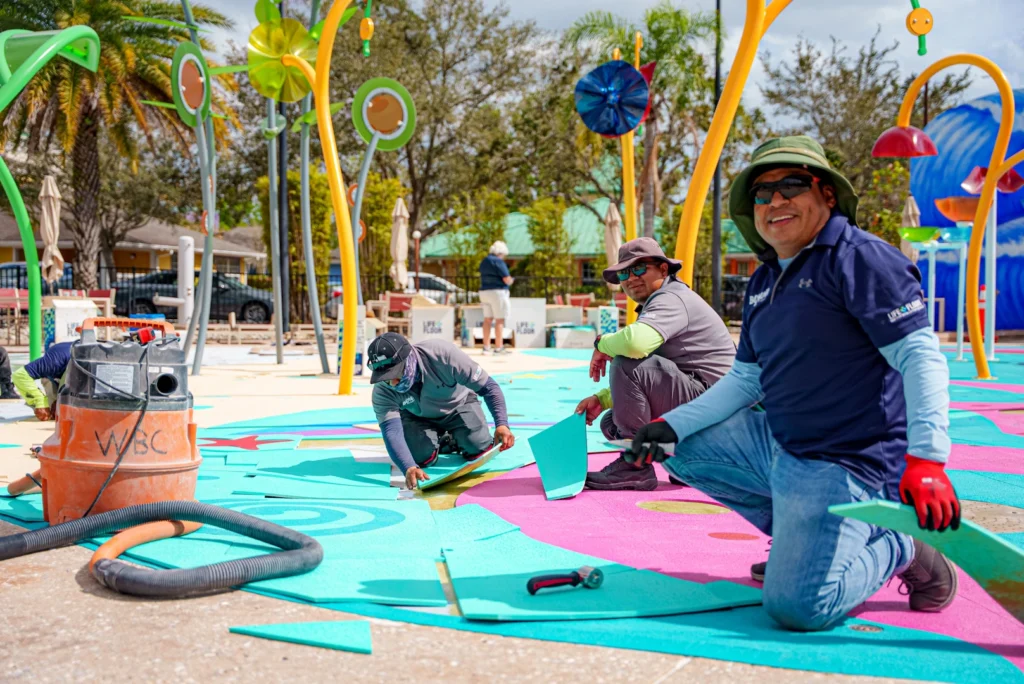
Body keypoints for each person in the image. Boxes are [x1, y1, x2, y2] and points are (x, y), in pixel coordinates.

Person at [629, 135, 959, 631]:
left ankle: (898, 543)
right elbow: (746, 379)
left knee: (799, 608)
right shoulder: (765, 280)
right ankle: (799, 543)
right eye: (763, 193)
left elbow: (919, 356)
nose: (776, 200)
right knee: (682, 447)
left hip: (852, 462)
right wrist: (669, 425)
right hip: (784, 448)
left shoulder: (860, 258)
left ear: (826, 194)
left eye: (792, 184)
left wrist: (928, 458)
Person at [574, 237, 736, 491]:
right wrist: (603, 399)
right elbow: (654, 372)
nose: (631, 277)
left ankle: (634, 468)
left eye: (639, 268)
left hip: (716, 409)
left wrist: (600, 343)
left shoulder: (670, 298)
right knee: (612, 422)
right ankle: (690, 461)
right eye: (624, 272)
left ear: (663, 269)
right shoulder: (663, 300)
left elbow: (635, 346)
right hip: (711, 406)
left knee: (625, 360)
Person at [369, 332, 515, 490]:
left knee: (479, 449)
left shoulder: (444, 354)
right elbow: (391, 431)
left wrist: (502, 424)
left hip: (459, 404)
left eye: (396, 373)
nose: (393, 383)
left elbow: (489, 387)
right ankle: (444, 441)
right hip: (417, 417)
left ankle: (457, 438)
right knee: (419, 458)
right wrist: (408, 466)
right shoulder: (382, 391)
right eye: (386, 377)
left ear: (408, 357)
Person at [11, 341, 73, 421]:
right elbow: (19, 375)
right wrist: (40, 401)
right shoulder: (55, 361)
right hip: (56, 375)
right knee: (55, 414)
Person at [478, 241, 514, 354]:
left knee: (487, 319)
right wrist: (512, 281)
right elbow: (506, 279)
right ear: (501, 252)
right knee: (500, 319)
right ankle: (499, 347)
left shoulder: (484, 261)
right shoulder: (498, 261)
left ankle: (486, 347)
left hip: (484, 292)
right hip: (497, 292)